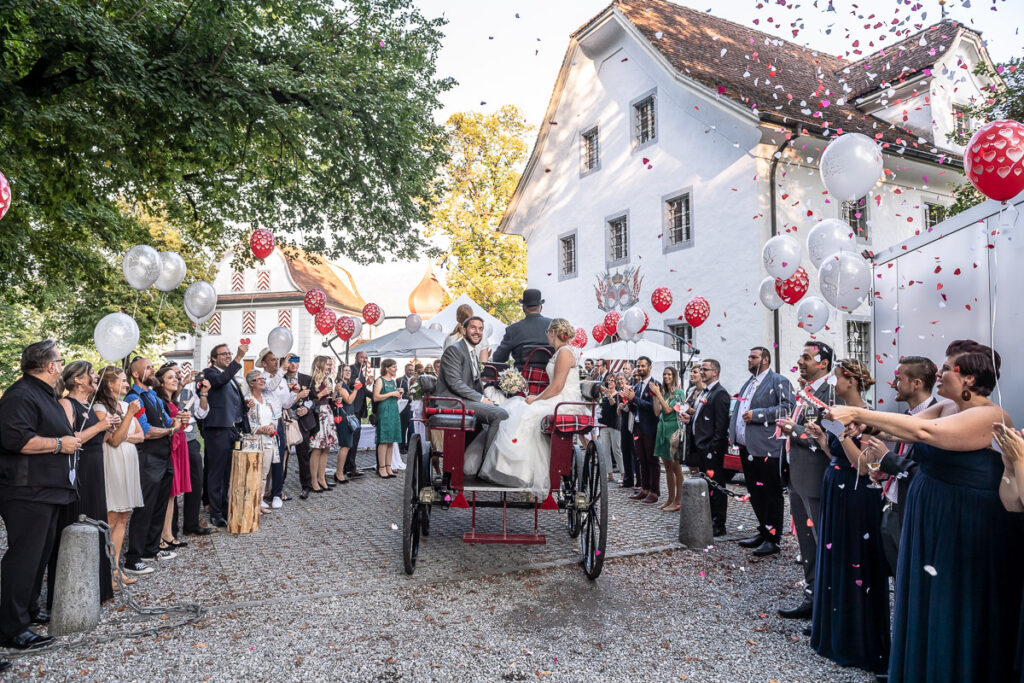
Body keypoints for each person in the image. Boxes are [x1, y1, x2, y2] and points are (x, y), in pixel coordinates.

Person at [828, 340, 1023, 683]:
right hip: (931, 513)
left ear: (969, 379)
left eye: (947, 368)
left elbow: (924, 432)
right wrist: (866, 427)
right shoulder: (947, 406)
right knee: (926, 597)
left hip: (964, 522)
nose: (940, 372)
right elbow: (903, 427)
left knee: (952, 600)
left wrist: (858, 413)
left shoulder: (992, 415)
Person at [804, 359, 888, 674]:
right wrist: (822, 438)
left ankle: (856, 638)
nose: (834, 384)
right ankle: (833, 629)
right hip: (835, 485)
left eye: (837, 378)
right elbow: (837, 456)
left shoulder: (868, 417)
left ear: (851, 382)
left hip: (857, 495)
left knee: (855, 559)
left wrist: (840, 433)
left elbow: (864, 466)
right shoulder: (839, 416)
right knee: (836, 558)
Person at [0, 340, 78, 651]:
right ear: (49, 365)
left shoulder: (43, 393)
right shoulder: (20, 395)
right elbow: (17, 440)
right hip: (26, 490)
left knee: (39, 555)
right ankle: (12, 628)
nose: (61, 365)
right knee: (24, 558)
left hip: (47, 490)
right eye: (60, 360)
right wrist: (59, 444)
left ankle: (28, 610)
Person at [481, 318, 584, 495]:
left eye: (548, 333)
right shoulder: (561, 351)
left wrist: (536, 399)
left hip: (563, 400)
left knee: (525, 412)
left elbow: (557, 386)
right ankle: (513, 468)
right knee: (517, 408)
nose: (547, 336)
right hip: (558, 397)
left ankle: (517, 471)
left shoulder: (564, 353)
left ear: (553, 333)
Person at [777, 341, 838, 620]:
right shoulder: (806, 391)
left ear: (823, 363)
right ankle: (811, 597)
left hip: (815, 478)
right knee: (806, 545)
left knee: (821, 542)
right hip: (798, 478)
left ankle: (827, 604)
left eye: (806, 357)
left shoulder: (832, 394)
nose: (800, 361)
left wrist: (794, 429)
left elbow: (827, 438)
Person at [47, 361, 115, 606]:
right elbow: (69, 438)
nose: (95, 377)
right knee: (79, 520)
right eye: (91, 374)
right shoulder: (67, 403)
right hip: (79, 470)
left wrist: (108, 428)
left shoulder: (90, 405)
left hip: (95, 469)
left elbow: (99, 438)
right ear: (77, 379)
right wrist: (99, 426)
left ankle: (98, 590)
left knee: (97, 522)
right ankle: (70, 594)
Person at [862, 356, 938, 575]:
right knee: (897, 575)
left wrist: (888, 459)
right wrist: (885, 472)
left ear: (916, 384)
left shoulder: (938, 421)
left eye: (898, 379)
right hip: (891, 505)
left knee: (910, 575)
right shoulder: (906, 416)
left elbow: (927, 474)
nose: (893, 384)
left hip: (912, 512)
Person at [729, 347, 794, 557]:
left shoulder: (779, 381)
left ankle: (773, 539)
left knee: (770, 494)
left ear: (765, 359)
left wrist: (757, 414)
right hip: (747, 447)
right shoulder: (749, 383)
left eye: (754, 357)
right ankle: (763, 530)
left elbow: (787, 408)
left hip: (767, 447)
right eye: (749, 356)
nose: (749, 360)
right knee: (755, 492)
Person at [124, 356, 180, 575]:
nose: (152, 371)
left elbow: (167, 421)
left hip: (164, 456)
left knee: (159, 505)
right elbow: (146, 431)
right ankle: (133, 557)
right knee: (144, 507)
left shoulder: (154, 397)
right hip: (147, 458)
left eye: (152, 367)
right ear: (136, 374)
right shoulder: (134, 397)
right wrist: (171, 430)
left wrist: (178, 420)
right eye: (148, 368)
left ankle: (151, 548)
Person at [93, 366, 145, 590]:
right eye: (122, 381)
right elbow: (113, 440)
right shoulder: (99, 407)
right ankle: (104, 571)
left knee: (124, 516)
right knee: (112, 516)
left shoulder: (124, 405)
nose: (126, 384)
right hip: (112, 461)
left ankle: (115, 569)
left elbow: (141, 436)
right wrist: (129, 418)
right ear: (110, 384)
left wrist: (124, 433)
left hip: (129, 462)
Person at [436, 316, 510, 464]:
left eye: (480, 329)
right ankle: (487, 463)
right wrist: (481, 399)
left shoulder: (471, 351)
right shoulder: (454, 350)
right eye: (473, 328)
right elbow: (455, 383)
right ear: (463, 331)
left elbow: (475, 383)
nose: (477, 332)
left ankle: (474, 462)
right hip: (454, 401)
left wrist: (489, 397)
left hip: (465, 400)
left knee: (502, 408)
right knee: (500, 415)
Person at [202, 342, 248, 527]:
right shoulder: (210, 373)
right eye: (224, 354)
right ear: (214, 358)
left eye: (230, 353)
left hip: (231, 428)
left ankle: (224, 506)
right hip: (217, 429)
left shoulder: (230, 376)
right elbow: (220, 381)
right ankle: (215, 512)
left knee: (227, 471)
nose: (228, 356)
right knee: (216, 472)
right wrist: (239, 357)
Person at [682, 359, 730, 536]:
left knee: (716, 487)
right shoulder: (705, 392)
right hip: (701, 446)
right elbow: (703, 418)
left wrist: (713, 449)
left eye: (705, 369)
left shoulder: (720, 393)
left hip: (711, 449)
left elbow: (721, 427)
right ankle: (709, 518)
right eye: (701, 369)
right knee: (707, 486)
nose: (701, 372)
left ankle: (719, 523)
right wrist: (690, 420)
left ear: (715, 372)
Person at [154, 364, 191, 552]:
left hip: (179, 446)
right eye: (170, 377)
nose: (175, 379)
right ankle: (160, 534)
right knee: (167, 493)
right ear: (160, 383)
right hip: (171, 448)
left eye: (175, 377)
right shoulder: (160, 402)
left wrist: (183, 420)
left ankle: (168, 533)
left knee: (172, 496)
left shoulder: (172, 401)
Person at [173, 367, 212, 535]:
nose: (178, 377)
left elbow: (202, 414)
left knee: (196, 482)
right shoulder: (163, 394)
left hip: (190, 441)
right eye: (174, 374)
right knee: (172, 486)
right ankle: (170, 528)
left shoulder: (189, 393)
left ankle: (191, 524)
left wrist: (203, 393)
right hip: (173, 442)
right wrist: (182, 384)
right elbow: (171, 402)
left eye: (179, 374)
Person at [258, 348, 296, 508]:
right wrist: (283, 369)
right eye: (273, 360)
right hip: (264, 423)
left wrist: (295, 394)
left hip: (278, 422)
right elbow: (270, 387)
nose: (276, 362)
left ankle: (277, 493)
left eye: (277, 359)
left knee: (278, 458)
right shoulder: (261, 378)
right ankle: (260, 494)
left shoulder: (282, 380)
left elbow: (286, 403)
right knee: (263, 459)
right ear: (264, 363)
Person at [626, 356, 661, 504]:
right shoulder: (636, 386)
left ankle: (654, 491)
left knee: (652, 460)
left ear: (650, 367)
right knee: (641, 459)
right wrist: (628, 401)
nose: (640, 368)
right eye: (638, 366)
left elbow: (653, 408)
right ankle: (644, 489)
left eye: (643, 366)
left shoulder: (655, 385)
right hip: (638, 426)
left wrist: (634, 399)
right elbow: (635, 407)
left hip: (650, 427)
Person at [651, 366, 686, 512]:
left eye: (669, 374)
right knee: (667, 467)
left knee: (676, 466)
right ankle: (670, 498)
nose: (666, 377)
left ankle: (679, 500)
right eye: (664, 374)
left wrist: (658, 394)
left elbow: (668, 410)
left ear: (674, 376)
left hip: (674, 430)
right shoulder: (663, 393)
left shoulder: (679, 393)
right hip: (663, 429)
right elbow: (657, 412)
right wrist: (655, 396)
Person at [491, 289, 552, 369]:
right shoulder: (553, 326)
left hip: (523, 375)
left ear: (523, 308)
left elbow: (499, 358)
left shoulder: (512, 329)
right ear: (541, 307)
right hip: (551, 375)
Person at [245, 370, 279, 513]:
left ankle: (259, 503)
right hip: (253, 441)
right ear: (251, 383)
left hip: (268, 440)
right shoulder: (247, 400)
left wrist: (271, 426)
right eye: (258, 379)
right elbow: (245, 421)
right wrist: (260, 429)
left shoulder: (267, 400)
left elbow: (274, 418)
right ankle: (250, 505)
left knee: (264, 474)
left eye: (263, 378)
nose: (262, 381)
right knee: (252, 474)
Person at [283, 356, 315, 498]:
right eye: (290, 362)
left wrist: (307, 408)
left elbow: (314, 399)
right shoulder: (281, 379)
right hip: (286, 421)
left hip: (302, 422)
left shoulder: (306, 379)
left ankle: (306, 485)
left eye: (296, 362)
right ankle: (279, 486)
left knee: (304, 455)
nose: (293, 364)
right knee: (284, 455)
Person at [308, 355, 338, 493]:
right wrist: (322, 393)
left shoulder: (328, 379)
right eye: (327, 364)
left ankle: (322, 478)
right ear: (319, 365)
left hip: (327, 412)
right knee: (317, 449)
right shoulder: (311, 380)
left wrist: (335, 393)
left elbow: (331, 399)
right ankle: (313, 480)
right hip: (317, 413)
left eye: (330, 364)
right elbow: (310, 399)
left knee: (326, 448)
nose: (330, 367)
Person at [373, 359, 404, 478]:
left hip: (393, 410)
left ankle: (388, 466)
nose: (396, 369)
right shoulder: (380, 380)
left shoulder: (393, 381)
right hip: (384, 411)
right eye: (394, 367)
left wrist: (398, 393)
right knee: (384, 439)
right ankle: (381, 467)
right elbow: (376, 397)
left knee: (391, 440)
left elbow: (392, 397)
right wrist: (391, 393)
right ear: (386, 368)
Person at [346, 351, 372, 479]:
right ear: (356, 358)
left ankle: (350, 466)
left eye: (366, 357)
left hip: (359, 409)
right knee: (353, 438)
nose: (364, 359)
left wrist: (375, 396)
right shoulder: (352, 368)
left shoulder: (361, 370)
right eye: (362, 357)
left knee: (355, 438)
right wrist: (365, 383)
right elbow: (351, 384)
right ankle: (350, 467)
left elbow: (363, 390)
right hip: (352, 408)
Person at [333, 365, 357, 484]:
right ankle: (339, 473)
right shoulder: (340, 385)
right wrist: (356, 389)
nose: (348, 372)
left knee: (347, 445)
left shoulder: (346, 385)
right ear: (340, 372)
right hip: (343, 418)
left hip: (348, 416)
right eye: (345, 370)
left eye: (349, 370)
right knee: (345, 444)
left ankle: (340, 472)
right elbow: (349, 400)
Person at [595, 375, 622, 483]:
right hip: (604, 424)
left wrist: (609, 395)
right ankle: (609, 473)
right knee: (605, 450)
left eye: (612, 380)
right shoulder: (604, 395)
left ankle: (623, 473)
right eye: (608, 380)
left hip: (614, 424)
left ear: (615, 383)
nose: (610, 382)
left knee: (616, 450)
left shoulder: (618, 394)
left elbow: (614, 405)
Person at [616, 372, 638, 490]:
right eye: (618, 380)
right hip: (624, 422)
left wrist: (626, 405)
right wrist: (620, 408)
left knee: (634, 450)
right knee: (625, 449)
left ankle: (637, 478)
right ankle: (628, 478)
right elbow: (619, 413)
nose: (620, 381)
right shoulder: (619, 393)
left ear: (626, 380)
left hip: (632, 421)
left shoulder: (631, 389)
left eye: (621, 379)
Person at [681, 364, 705, 474]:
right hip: (688, 431)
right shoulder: (690, 390)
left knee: (699, 464)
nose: (691, 374)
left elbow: (704, 413)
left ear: (702, 374)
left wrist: (690, 411)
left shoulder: (706, 392)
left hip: (699, 432)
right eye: (691, 372)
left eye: (695, 372)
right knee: (691, 464)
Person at [397, 363, 415, 454]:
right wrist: (408, 397)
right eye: (409, 370)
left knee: (412, 428)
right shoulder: (399, 380)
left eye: (412, 370)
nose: (411, 372)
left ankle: (409, 447)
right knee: (402, 428)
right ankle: (401, 447)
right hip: (404, 407)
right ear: (405, 370)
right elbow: (398, 393)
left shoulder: (417, 381)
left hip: (414, 407)